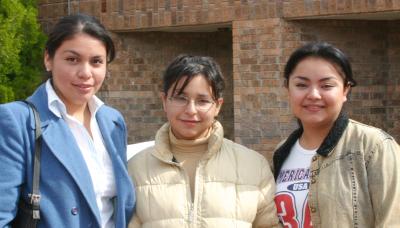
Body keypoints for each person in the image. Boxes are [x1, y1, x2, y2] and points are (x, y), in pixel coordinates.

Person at [0, 14, 135, 227]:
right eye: (72, 59)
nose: (85, 73)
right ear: (48, 59)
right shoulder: (16, 121)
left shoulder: (112, 121)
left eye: (96, 61)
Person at [128, 55, 280, 227]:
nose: (191, 110)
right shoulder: (135, 168)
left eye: (203, 101)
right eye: (180, 98)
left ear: (218, 106)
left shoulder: (253, 165)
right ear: (164, 101)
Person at [273, 42, 400, 228]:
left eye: (326, 85)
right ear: (288, 89)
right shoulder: (281, 152)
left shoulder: (374, 146)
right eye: (301, 85)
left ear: (345, 90)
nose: (314, 94)